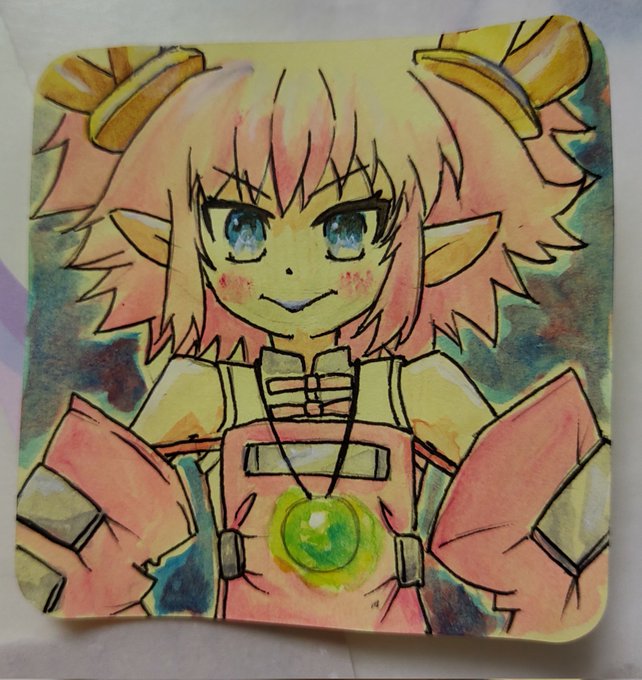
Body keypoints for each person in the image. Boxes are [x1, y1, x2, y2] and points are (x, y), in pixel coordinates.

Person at [16, 16, 610, 639]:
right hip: (241, 647)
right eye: (243, 227)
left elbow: (561, 544)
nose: (292, 268)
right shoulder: (204, 391)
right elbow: (66, 542)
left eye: (347, 227)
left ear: (422, 238)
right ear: (183, 241)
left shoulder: (419, 389)